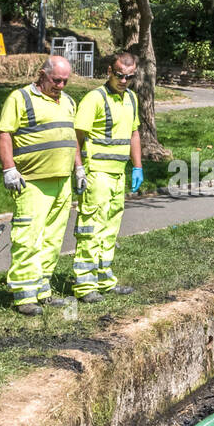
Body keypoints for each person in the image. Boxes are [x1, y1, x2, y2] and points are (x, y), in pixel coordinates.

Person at [0, 55, 82, 316]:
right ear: (42, 74)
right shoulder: (19, 98)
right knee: (28, 238)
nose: (61, 86)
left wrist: (78, 167)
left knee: (52, 239)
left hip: (61, 181)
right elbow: (4, 134)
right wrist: (9, 169)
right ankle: (24, 296)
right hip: (31, 182)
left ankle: (42, 291)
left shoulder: (68, 101)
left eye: (66, 81)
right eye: (57, 80)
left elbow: (72, 137)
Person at [72, 52, 143, 300]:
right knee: (91, 228)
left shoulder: (131, 98)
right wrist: (79, 168)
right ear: (109, 72)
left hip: (117, 174)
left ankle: (104, 280)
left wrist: (137, 166)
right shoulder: (94, 99)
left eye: (129, 77)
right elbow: (76, 138)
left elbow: (134, 133)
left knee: (110, 229)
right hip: (97, 174)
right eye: (120, 75)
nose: (124, 80)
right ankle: (85, 285)